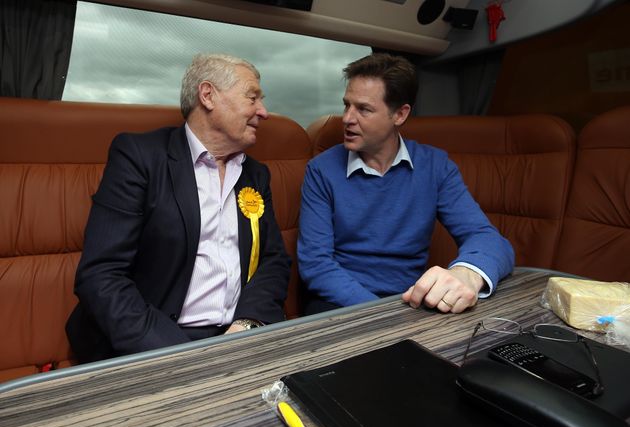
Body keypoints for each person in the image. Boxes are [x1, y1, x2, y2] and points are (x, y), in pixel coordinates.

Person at [66, 54, 290, 363]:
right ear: (208, 95)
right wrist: (184, 355)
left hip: (239, 336)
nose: (263, 112)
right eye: (252, 97)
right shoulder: (139, 157)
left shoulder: (256, 173)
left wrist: (247, 325)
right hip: (156, 341)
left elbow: (273, 260)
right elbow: (101, 275)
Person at [298, 53, 514, 315]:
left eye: (363, 109)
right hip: (339, 304)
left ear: (400, 114)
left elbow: (487, 238)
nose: (347, 118)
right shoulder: (321, 170)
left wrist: (466, 273)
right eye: (346, 105)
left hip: (410, 301)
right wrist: (384, 315)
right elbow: (316, 265)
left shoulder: (436, 166)